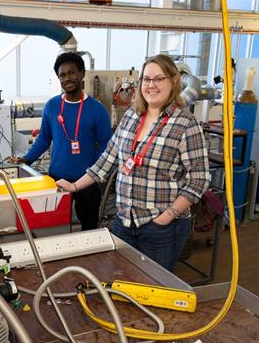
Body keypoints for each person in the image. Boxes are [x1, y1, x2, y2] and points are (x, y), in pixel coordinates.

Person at [57, 54, 210, 271]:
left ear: (173, 81)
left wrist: (168, 216)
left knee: (155, 286)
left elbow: (199, 179)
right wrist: (74, 186)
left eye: (159, 79)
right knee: (121, 279)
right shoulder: (131, 117)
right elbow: (106, 161)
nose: (151, 85)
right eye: (146, 79)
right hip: (125, 221)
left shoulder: (185, 123)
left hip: (160, 226)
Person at [7, 52, 112, 231]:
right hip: (56, 179)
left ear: (82, 74)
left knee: (89, 229)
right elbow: (44, 139)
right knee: (53, 227)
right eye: (62, 75)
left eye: (72, 73)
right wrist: (27, 158)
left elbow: (106, 147)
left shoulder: (97, 109)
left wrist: (94, 172)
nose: (67, 78)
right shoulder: (52, 106)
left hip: (86, 180)